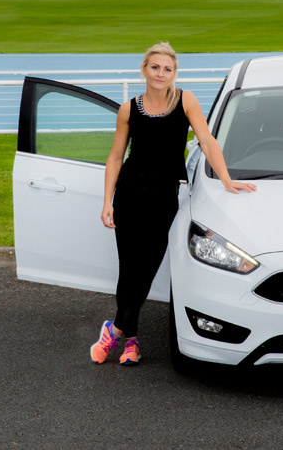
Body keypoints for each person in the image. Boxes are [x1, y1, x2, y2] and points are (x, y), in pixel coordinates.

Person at [90, 42, 256, 366]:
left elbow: (207, 141)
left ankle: (115, 329)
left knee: (147, 270)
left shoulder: (186, 101)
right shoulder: (129, 110)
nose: (160, 74)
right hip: (129, 195)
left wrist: (226, 178)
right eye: (155, 68)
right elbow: (115, 156)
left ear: (174, 72)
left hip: (163, 197)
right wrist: (107, 201)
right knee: (129, 272)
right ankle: (131, 343)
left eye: (167, 69)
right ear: (144, 70)